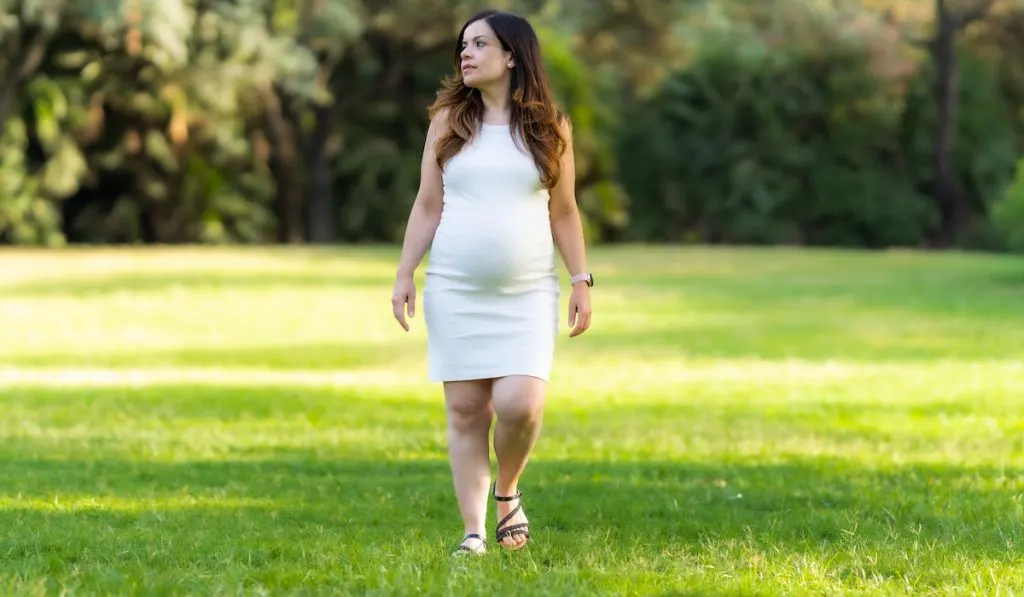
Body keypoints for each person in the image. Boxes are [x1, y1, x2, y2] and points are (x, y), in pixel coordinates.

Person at [391, 8, 593, 556]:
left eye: (479, 44)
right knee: (465, 412)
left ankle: (507, 491)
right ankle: (474, 532)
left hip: (528, 292)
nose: (466, 53)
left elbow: (566, 212)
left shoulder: (551, 129)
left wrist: (581, 279)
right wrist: (406, 272)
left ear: (512, 56)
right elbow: (428, 204)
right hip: (455, 289)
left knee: (521, 404)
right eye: (463, 45)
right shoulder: (447, 124)